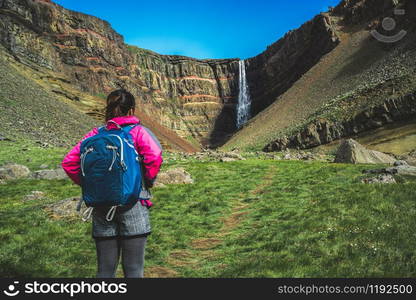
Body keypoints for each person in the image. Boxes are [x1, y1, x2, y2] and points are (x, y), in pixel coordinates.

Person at [61, 89, 163, 278]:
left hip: (100, 206)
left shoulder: (94, 134)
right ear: (131, 110)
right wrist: (146, 180)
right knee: (133, 270)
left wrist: (92, 185)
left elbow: (69, 162)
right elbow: (154, 156)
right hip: (133, 203)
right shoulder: (138, 131)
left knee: (105, 271)